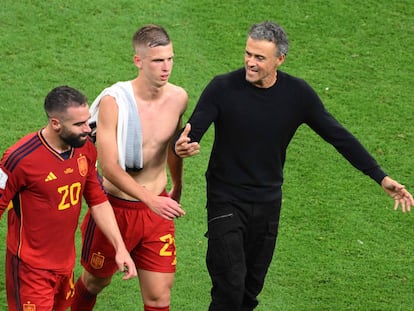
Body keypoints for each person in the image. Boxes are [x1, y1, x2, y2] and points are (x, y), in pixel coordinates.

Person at [174, 21, 414, 311]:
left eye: (259, 58)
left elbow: (338, 136)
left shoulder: (297, 95)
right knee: (229, 288)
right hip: (226, 200)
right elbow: (191, 132)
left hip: (267, 204)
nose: (250, 62)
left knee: (249, 293)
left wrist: (381, 177)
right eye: (248, 54)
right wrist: (183, 145)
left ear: (280, 60)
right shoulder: (222, 88)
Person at [71, 24, 187, 311]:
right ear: (138, 61)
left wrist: (177, 185)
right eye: (158, 60)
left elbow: (171, 145)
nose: (166, 67)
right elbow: (108, 166)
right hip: (114, 208)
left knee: (159, 296)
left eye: (170, 59)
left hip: (156, 209)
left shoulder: (178, 98)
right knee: (96, 281)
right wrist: (150, 200)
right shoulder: (115, 102)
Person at [0, 85, 137, 311]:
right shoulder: (19, 159)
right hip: (30, 269)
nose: (88, 128)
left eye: (87, 120)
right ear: (56, 123)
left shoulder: (85, 149)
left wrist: (120, 247)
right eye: (79, 124)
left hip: (65, 266)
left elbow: (98, 200)